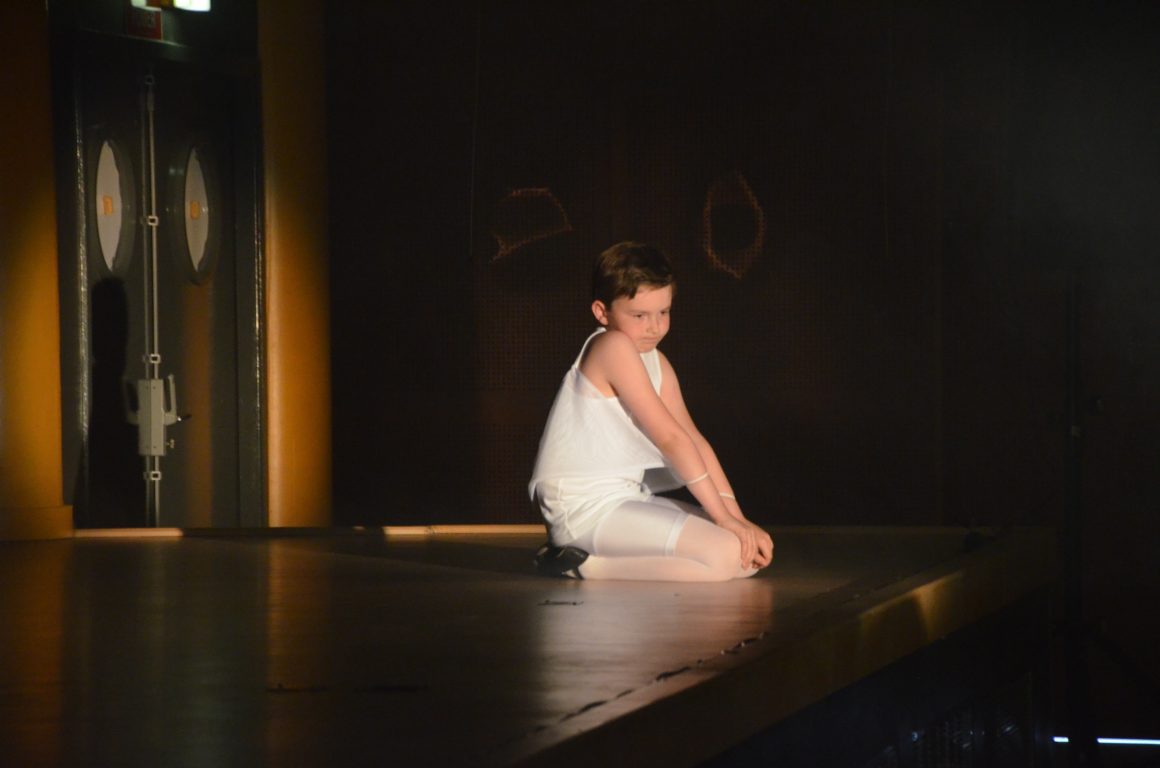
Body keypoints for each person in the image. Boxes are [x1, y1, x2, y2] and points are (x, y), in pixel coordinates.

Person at [528, 241, 774, 581]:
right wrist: (723, 518)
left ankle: (583, 560)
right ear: (602, 312)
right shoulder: (611, 346)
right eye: (639, 316)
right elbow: (671, 439)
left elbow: (693, 439)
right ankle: (577, 562)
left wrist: (737, 519)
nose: (654, 327)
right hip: (584, 509)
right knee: (724, 554)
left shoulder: (657, 362)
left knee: (746, 558)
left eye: (664, 312)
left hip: (626, 498)